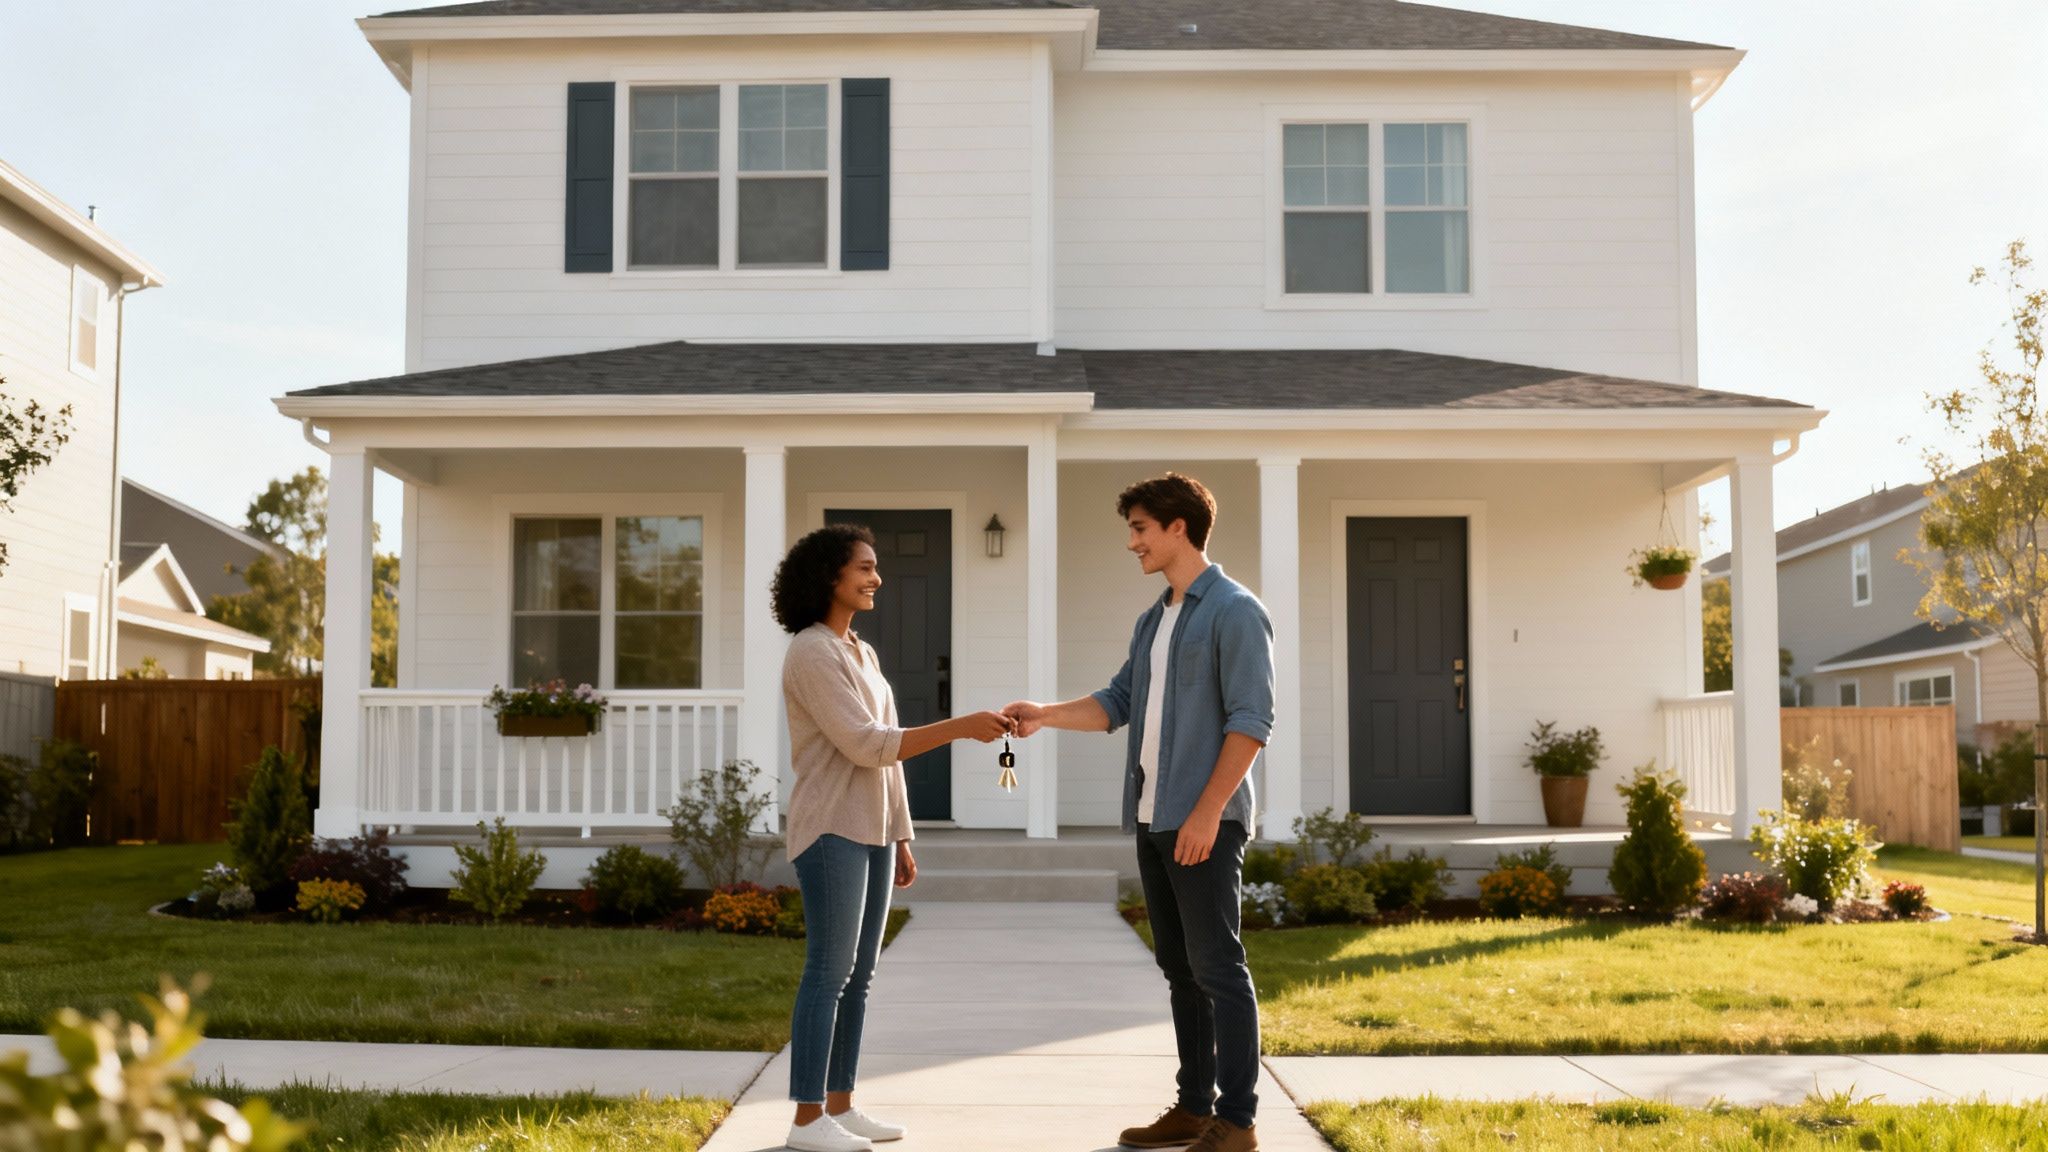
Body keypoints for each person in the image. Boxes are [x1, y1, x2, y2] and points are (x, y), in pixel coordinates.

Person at [1005, 474, 1274, 1152]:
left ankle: (1236, 1122)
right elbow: (1116, 703)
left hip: (1203, 820)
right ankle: (1192, 1108)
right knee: (1180, 970)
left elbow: (1251, 720)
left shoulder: (1236, 610)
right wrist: (1043, 715)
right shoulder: (1155, 619)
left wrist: (1209, 812)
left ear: (1178, 527)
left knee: (1219, 968)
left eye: (1140, 529)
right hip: (1155, 817)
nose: (1133, 543)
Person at [774, 523, 1013, 1152]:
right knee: (829, 970)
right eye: (865, 568)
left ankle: (840, 1106)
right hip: (830, 827)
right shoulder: (810, 651)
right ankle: (805, 1122)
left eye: (877, 568)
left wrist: (902, 835)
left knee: (860, 974)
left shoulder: (861, 651)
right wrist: (960, 726)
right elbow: (865, 744)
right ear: (830, 576)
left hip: (875, 829)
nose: (877, 578)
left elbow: (890, 753)